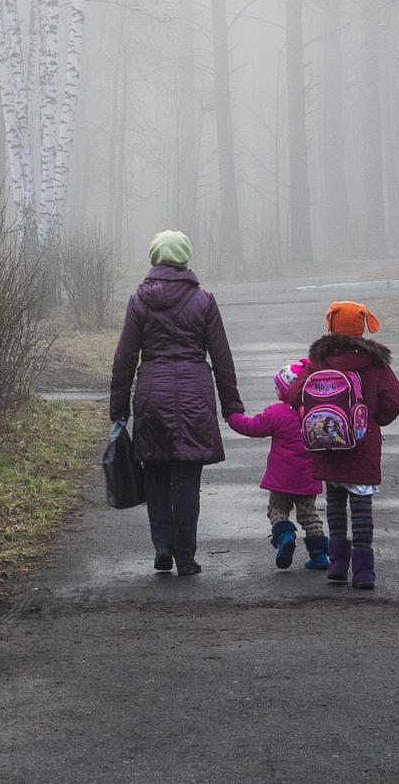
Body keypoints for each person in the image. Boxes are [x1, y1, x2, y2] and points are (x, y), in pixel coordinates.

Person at [109, 230, 243, 576]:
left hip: (152, 394)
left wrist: (119, 409)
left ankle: (162, 544)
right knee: (186, 477)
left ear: (154, 258)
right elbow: (222, 356)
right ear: (185, 259)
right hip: (194, 394)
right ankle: (186, 556)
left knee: (154, 471)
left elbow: (125, 358)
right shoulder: (204, 300)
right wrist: (232, 406)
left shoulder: (139, 301)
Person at [298, 301, 399, 590]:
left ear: (331, 325)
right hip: (362, 444)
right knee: (361, 507)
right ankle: (364, 572)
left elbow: (297, 394)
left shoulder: (320, 361)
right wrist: (373, 421)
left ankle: (337, 564)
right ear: (362, 326)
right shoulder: (375, 363)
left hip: (327, 443)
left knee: (334, 504)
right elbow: (395, 398)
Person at [227, 360, 332, 571]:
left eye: (277, 387)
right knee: (310, 515)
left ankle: (284, 535)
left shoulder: (277, 413)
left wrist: (232, 417)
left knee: (277, 509)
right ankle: (319, 555)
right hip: (308, 477)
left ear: (285, 391)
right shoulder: (315, 415)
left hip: (281, 479)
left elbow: (252, 427)